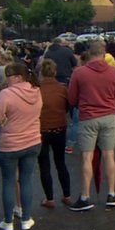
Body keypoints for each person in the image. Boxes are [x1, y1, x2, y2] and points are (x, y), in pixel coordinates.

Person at [67, 42, 115, 210]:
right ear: (104, 53)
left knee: (86, 157)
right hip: (108, 116)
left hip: (88, 117)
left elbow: (71, 98)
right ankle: (111, 193)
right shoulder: (114, 72)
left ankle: (85, 196)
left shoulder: (79, 72)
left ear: (89, 53)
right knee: (109, 155)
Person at [0, 63, 42, 230]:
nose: (6, 79)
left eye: (9, 76)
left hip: (10, 144)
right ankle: (26, 218)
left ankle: (8, 221)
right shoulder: (36, 91)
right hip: (32, 141)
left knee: (8, 182)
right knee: (26, 180)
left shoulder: (6, 94)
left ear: (18, 77)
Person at [36, 59, 72, 208]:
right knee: (60, 162)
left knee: (44, 165)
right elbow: (68, 107)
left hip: (41, 129)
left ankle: (49, 198)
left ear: (41, 73)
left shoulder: (36, 89)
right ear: (55, 72)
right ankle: (67, 195)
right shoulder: (63, 88)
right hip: (59, 127)